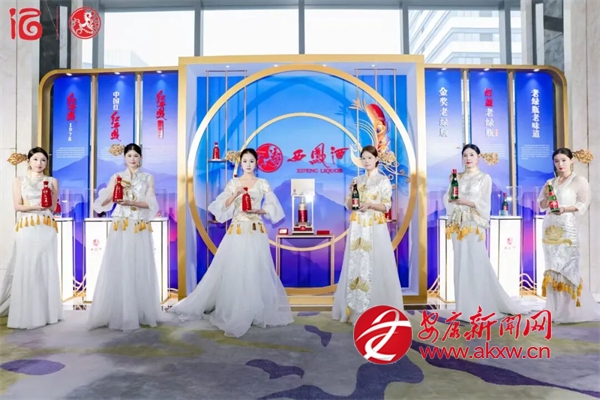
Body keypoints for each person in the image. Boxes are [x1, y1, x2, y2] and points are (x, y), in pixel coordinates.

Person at [169, 148, 293, 337]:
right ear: (240, 163)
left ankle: (255, 310)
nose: (248, 164)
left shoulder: (262, 183)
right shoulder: (234, 183)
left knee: (256, 268)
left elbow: (273, 205)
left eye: (251, 161)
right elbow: (220, 206)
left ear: (256, 163)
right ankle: (235, 309)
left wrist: (259, 211)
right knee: (236, 268)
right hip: (237, 231)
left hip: (256, 230)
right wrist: (234, 195)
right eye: (245, 161)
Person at [443, 144, 525, 321]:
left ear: (478, 157)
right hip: (458, 224)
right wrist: (452, 190)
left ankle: (480, 307)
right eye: (465, 155)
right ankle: (464, 308)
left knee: (476, 262)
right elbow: (448, 199)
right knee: (461, 263)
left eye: (472, 155)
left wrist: (466, 202)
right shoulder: (457, 177)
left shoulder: (484, 178)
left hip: (474, 224)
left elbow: (484, 204)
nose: (468, 158)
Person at [87, 143, 161, 331]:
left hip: (138, 224)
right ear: (124, 158)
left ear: (140, 158)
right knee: (120, 263)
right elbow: (106, 200)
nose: (133, 159)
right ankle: (119, 311)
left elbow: (151, 204)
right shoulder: (117, 177)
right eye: (129, 156)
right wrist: (110, 198)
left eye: (136, 155)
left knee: (138, 265)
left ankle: (138, 311)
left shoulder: (148, 177)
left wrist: (129, 202)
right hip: (121, 223)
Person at [332, 145, 404, 324]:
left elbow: (386, 206)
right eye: (363, 158)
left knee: (376, 262)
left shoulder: (382, 181)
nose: (366, 161)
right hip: (357, 226)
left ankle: (376, 309)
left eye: (369, 158)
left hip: (375, 226)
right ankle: (355, 310)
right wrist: (351, 193)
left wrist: (370, 205)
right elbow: (350, 206)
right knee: (355, 262)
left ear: (376, 159)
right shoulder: (357, 180)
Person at [0, 147, 63, 329]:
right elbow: (17, 206)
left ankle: (47, 313)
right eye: (35, 159)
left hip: (45, 226)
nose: (39, 163)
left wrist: (44, 205)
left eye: (43, 160)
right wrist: (35, 206)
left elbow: (52, 207)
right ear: (28, 161)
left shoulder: (52, 181)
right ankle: (26, 313)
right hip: (27, 226)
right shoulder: (19, 180)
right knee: (27, 266)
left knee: (45, 266)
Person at [537, 148, 600, 323]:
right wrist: (547, 198)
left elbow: (583, 203)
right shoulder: (550, 182)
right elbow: (542, 205)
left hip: (567, 227)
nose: (560, 164)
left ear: (571, 161)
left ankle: (571, 311)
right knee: (552, 267)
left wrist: (564, 208)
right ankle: (555, 309)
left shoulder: (578, 180)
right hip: (550, 227)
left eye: (564, 160)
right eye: (557, 161)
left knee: (568, 267)